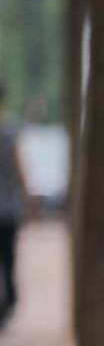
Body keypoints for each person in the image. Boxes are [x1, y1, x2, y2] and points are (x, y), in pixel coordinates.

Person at [0, 82, 32, 327]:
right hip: (9, 207)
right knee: (8, 257)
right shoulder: (11, 130)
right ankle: (9, 300)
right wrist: (28, 196)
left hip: (8, 206)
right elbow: (20, 167)